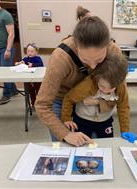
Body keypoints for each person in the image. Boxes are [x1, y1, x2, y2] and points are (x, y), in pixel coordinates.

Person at [35, 16, 123, 147]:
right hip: (61, 100)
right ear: (76, 47)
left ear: (107, 46)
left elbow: (120, 91)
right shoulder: (60, 58)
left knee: (93, 146)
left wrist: (100, 102)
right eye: (86, 61)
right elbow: (42, 105)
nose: (93, 67)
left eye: (99, 61)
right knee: (65, 147)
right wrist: (66, 134)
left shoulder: (114, 51)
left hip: (92, 98)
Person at [61, 54, 130, 138]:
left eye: (111, 88)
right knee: (82, 145)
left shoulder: (121, 87)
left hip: (105, 121)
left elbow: (123, 108)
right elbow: (69, 99)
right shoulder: (87, 85)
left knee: (107, 144)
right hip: (83, 120)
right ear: (97, 78)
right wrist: (66, 118)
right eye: (102, 86)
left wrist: (125, 130)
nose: (105, 91)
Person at [15, 43, 43, 108]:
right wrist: (19, 63)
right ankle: (33, 104)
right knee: (31, 92)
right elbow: (22, 62)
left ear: (36, 52)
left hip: (37, 80)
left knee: (39, 92)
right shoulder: (26, 59)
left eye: (32, 51)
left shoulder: (38, 58)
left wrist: (32, 65)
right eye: (28, 51)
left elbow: (41, 64)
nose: (29, 53)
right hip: (29, 80)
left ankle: (39, 104)